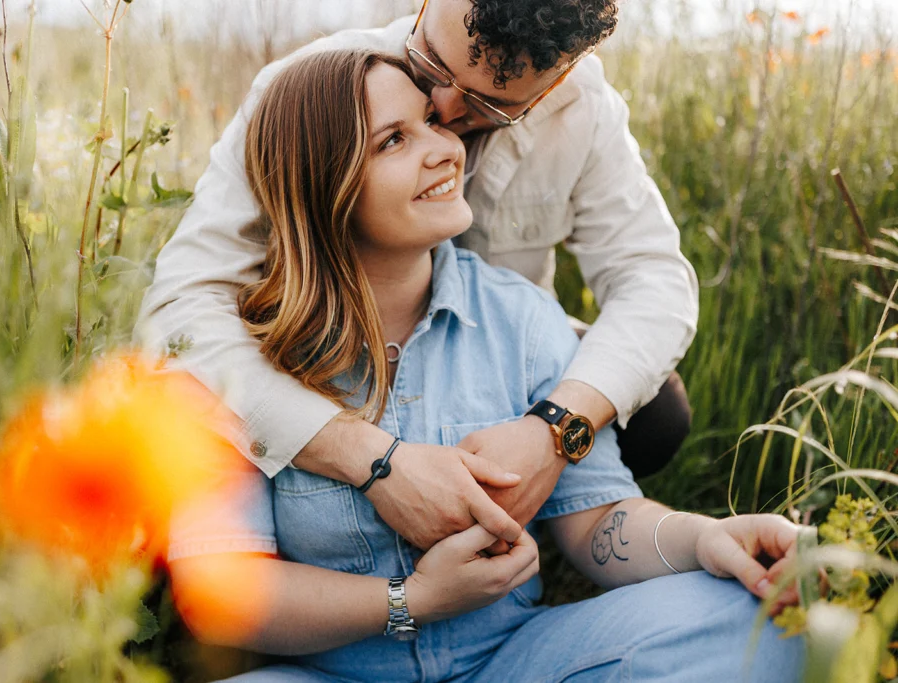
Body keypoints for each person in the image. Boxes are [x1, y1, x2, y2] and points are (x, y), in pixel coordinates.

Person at [166, 49, 804, 683]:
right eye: (393, 141)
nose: (445, 149)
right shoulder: (244, 356)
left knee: (757, 618)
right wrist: (412, 601)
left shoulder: (520, 320)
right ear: (322, 186)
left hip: (517, 663)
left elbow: (600, 521)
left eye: (431, 121)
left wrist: (705, 540)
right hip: (331, 674)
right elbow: (222, 596)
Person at [135, 0, 699, 556]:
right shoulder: (307, 94)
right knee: (183, 420)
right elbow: (182, 310)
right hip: (335, 363)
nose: (445, 111)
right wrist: (370, 458)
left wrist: (553, 428)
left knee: (655, 410)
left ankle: (539, 524)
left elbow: (653, 278)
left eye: (488, 104)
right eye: (431, 62)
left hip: (501, 379)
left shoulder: (586, 110)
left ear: (555, 81)